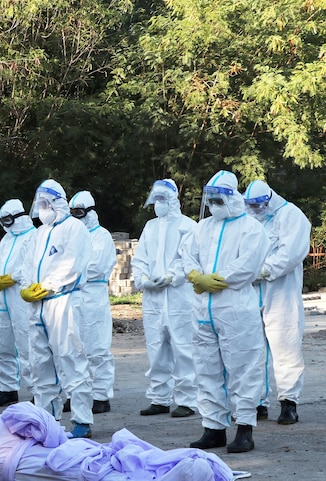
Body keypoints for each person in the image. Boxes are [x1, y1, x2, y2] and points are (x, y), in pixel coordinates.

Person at [182, 170, 269, 453]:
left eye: (220, 200)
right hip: (202, 309)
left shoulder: (251, 228)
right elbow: (187, 254)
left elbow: (248, 266)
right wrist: (195, 275)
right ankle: (213, 428)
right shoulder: (203, 227)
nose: (214, 205)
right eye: (212, 200)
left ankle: (245, 428)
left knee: (243, 368)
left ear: (234, 198)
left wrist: (217, 279)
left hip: (235, 308)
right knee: (206, 368)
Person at [14, 179, 94, 438]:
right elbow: (28, 265)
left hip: (64, 301)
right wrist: (27, 287)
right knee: (39, 363)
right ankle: (46, 418)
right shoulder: (39, 233)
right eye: (40, 204)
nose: (43, 209)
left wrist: (47, 286)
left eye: (47, 203)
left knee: (71, 358)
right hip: (37, 305)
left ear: (59, 203)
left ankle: (81, 420)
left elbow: (73, 264)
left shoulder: (74, 228)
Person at [243, 179, 311, 425]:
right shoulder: (248, 217)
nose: (254, 209)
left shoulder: (291, 215)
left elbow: (291, 252)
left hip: (281, 291)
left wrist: (265, 269)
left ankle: (288, 402)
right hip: (251, 291)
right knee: (252, 349)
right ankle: (256, 402)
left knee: (285, 345)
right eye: (250, 205)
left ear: (269, 199)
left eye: (258, 205)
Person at [130, 179, 199, 418]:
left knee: (183, 347)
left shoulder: (188, 226)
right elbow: (139, 259)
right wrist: (143, 279)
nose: (158, 204)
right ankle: (159, 398)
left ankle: (188, 400)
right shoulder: (150, 227)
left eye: (162, 199)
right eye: (155, 199)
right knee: (156, 347)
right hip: (153, 298)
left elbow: (189, 258)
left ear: (172, 200)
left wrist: (173, 276)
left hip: (179, 296)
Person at [0, 199, 37, 407]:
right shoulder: (7, 239)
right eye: (2, 220)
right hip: (3, 296)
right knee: (2, 345)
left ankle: (36, 390)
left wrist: (12, 277)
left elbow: (31, 265)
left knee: (26, 344)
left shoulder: (33, 236)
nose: (5, 224)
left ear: (19, 217)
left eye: (8, 219)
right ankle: (7, 389)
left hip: (20, 294)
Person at [68, 190, 117, 414]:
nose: (76, 217)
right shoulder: (71, 235)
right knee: (74, 347)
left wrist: (70, 270)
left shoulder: (102, 236)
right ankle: (77, 393)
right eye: (73, 213)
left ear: (90, 212)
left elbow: (95, 266)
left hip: (94, 294)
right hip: (74, 295)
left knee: (97, 348)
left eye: (79, 212)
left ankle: (101, 395)